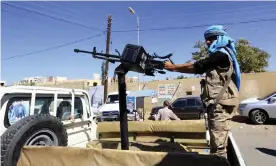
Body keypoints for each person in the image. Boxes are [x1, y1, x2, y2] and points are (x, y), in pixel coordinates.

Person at [163, 25, 241, 158]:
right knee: (216, 144)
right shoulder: (218, 56)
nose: (208, 42)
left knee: (218, 149)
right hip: (217, 106)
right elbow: (198, 69)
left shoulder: (221, 54)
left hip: (220, 107)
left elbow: (198, 65)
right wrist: (174, 69)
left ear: (220, 37)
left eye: (211, 38)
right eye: (207, 39)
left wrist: (173, 67)